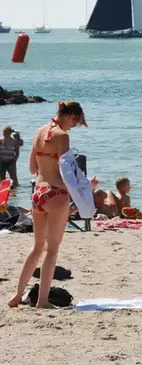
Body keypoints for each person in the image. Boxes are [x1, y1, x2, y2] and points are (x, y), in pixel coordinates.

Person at [8, 100, 87, 308]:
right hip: (56, 194)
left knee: (36, 247)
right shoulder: (63, 136)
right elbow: (66, 174)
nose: (73, 127)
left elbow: (33, 168)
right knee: (52, 250)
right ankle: (42, 301)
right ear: (70, 117)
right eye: (75, 123)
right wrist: (84, 190)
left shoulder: (38, 132)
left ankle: (17, 295)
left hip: (38, 194)